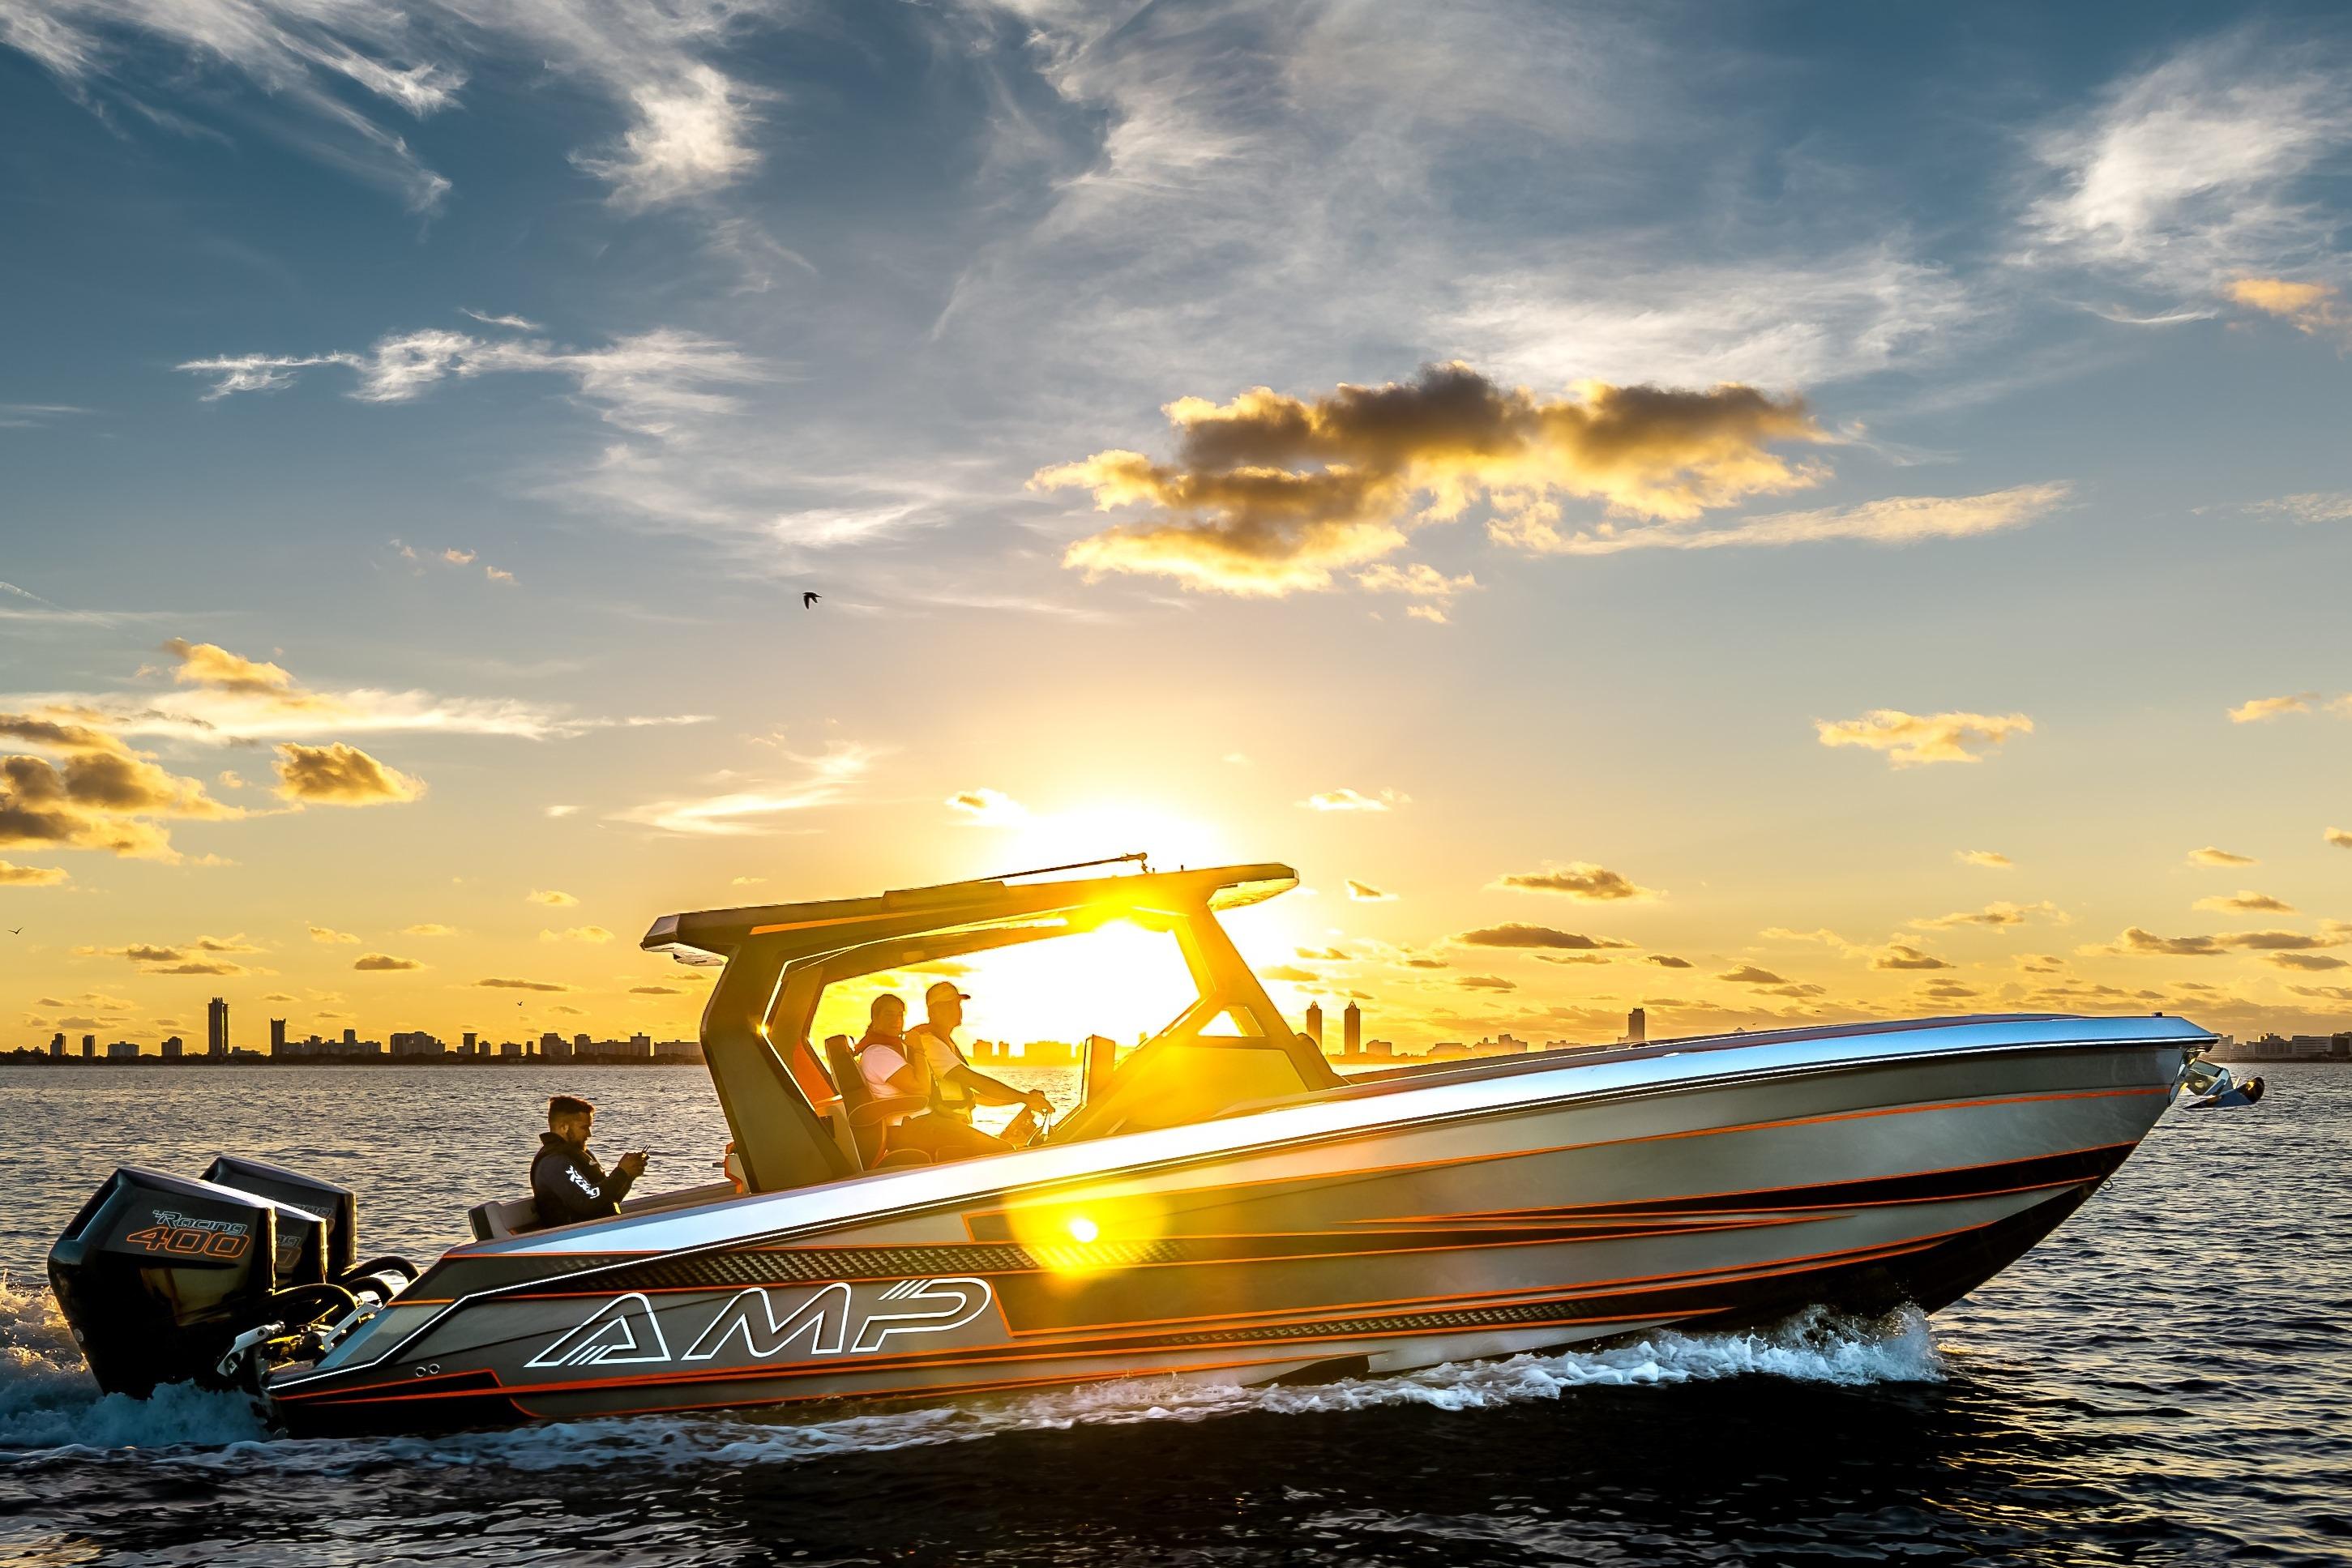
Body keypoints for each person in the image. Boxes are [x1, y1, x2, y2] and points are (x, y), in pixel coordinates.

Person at [867, 981, 1054, 1161]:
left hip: (936, 1121)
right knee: (1003, 1152)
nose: (957, 1010)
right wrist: (1025, 1098)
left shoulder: (942, 1043)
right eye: (949, 1005)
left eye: (958, 1004)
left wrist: (1021, 1098)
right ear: (933, 1011)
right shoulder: (928, 1044)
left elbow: (974, 1096)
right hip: (917, 1124)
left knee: (1008, 1148)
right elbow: (974, 1081)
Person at [530, 1094, 646, 1226]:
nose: (589, 1134)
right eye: (584, 1128)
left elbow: (609, 1198)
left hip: (602, 1230)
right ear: (564, 1128)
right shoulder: (554, 1163)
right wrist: (621, 1173)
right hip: (578, 1238)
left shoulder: (578, 1154)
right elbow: (588, 1202)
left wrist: (628, 1176)